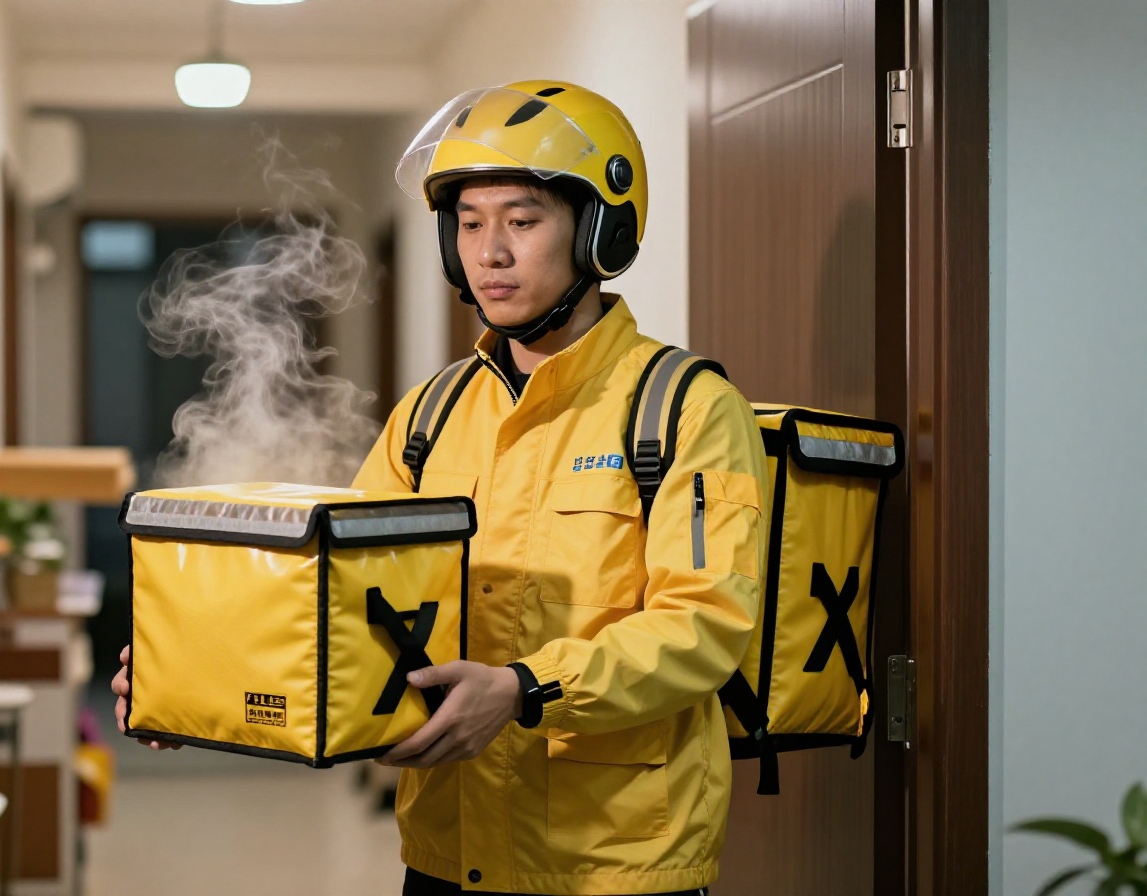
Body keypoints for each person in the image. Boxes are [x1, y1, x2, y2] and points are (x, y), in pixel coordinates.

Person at [115, 80, 768, 896]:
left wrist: (526, 689)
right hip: (445, 857)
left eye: (523, 221)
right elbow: (342, 603)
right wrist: (195, 677)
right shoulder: (430, 412)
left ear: (603, 229)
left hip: (614, 867)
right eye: (468, 223)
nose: (489, 252)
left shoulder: (686, 408)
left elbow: (705, 627)